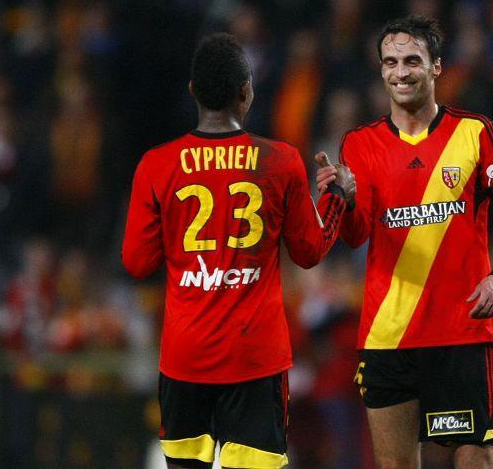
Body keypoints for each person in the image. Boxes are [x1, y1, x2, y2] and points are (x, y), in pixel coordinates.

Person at [122, 33, 354, 469]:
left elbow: (137, 262)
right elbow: (309, 252)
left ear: (193, 91)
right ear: (246, 91)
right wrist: (337, 197)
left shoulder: (157, 164)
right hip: (255, 360)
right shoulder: (280, 161)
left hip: (185, 359)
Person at [316, 16, 493, 469]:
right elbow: (356, 236)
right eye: (390, 62)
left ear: (436, 66)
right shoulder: (359, 143)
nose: (400, 72)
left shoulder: (476, 133)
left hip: (461, 330)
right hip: (388, 334)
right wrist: (344, 200)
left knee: (477, 458)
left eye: (412, 61)